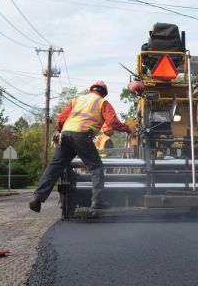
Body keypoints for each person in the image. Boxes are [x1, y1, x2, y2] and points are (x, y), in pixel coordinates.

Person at [29, 81, 132, 212]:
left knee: (55, 166)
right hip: (82, 135)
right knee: (96, 167)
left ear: (91, 90)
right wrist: (127, 129)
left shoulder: (77, 100)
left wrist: (61, 131)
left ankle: (37, 198)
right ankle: (97, 201)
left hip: (65, 135)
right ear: (104, 93)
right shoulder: (102, 102)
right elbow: (113, 122)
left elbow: (61, 119)